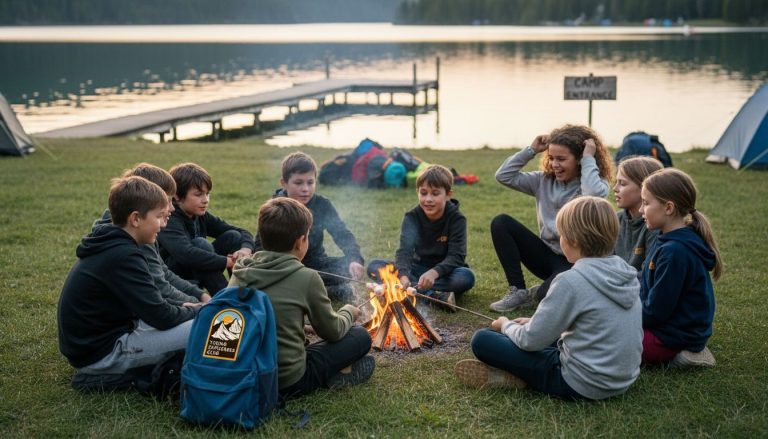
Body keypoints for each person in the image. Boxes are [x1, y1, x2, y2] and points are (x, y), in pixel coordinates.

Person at [455, 196, 642, 400]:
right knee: (540, 334)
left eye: (561, 235)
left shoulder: (570, 280)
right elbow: (595, 323)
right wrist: (535, 322)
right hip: (622, 380)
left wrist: (506, 325)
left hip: (581, 383)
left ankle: (516, 377)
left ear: (573, 241)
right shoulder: (625, 272)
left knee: (483, 340)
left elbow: (530, 341)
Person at [58, 176, 199, 387]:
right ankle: (105, 377)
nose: (162, 224)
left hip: (108, 336)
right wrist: (199, 310)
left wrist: (184, 308)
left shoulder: (115, 244)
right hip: (102, 353)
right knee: (206, 328)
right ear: (135, 219)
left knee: (194, 321)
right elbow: (162, 317)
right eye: (159, 216)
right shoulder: (123, 255)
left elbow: (154, 307)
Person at [230, 197, 374, 399]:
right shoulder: (306, 277)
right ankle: (334, 375)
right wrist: (349, 312)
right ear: (301, 241)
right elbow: (332, 332)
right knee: (360, 336)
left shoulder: (241, 269)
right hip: (286, 380)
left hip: (242, 370)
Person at [489, 124, 614, 312]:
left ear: (579, 159)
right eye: (552, 158)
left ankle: (542, 289)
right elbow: (503, 176)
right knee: (501, 222)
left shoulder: (593, 184)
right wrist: (531, 150)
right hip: (547, 255)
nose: (555, 164)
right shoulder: (542, 181)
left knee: (543, 297)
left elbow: (592, 195)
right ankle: (519, 291)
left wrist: (588, 158)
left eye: (562, 159)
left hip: (576, 262)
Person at [93, 163, 211, 305]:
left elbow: (164, 274)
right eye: (167, 201)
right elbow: (160, 291)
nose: (172, 208)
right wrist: (200, 305)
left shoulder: (132, 229)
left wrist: (200, 295)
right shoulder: (133, 236)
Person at [639, 168, 723, 367]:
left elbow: (656, 311)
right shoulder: (666, 239)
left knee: (611, 338)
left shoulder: (675, 251)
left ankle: (686, 354)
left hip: (674, 334)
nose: (641, 210)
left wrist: (626, 317)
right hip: (667, 327)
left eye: (646, 203)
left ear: (668, 208)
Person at [255, 152, 365, 301]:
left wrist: (354, 259)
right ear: (284, 183)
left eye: (310, 182)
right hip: (283, 267)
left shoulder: (322, 204)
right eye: (298, 183)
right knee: (287, 278)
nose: (305, 189)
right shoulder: (275, 207)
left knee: (345, 268)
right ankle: (320, 292)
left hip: (316, 263)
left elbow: (342, 233)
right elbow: (259, 247)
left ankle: (312, 291)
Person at [367, 164, 475, 310]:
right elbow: (404, 251)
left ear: (448, 195)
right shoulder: (412, 217)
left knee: (466, 278)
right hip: (416, 268)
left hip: (445, 272)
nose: (428, 199)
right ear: (417, 192)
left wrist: (434, 272)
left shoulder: (456, 219)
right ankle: (432, 296)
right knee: (374, 266)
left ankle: (403, 289)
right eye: (423, 193)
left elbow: (456, 256)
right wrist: (404, 274)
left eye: (435, 194)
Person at [157, 162, 254, 295]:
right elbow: (186, 254)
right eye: (198, 194)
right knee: (200, 244)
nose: (205, 200)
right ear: (177, 197)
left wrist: (245, 250)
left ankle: (241, 289)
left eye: (207, 194)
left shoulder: (200, 214)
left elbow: (241, 232)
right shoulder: (170, 218)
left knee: (233, 237)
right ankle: (226, 297)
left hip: (198, 269)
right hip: (175, 279)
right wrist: (227, 261)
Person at [613, 156, 664, 271]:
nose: (615, 188)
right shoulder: (616, 219)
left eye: (622, 183)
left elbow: (649, 274)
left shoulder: (655, 225)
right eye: (616, 182)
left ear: (644, 188)